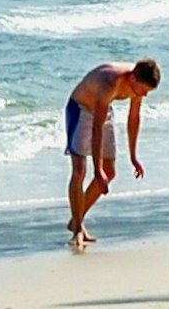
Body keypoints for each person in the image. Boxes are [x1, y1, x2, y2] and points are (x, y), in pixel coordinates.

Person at [64, 56, 160, 252]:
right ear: (133, 78)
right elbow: (96, 128)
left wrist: (133, 156)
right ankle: (78, 230)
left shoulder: (138, 84)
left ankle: (76, 220)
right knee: (80, 171)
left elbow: (134, 119)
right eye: (144, 90)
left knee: (110, 172)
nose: (144, 94)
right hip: (80, 109)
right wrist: (97, 169)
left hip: (103, 110)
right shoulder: (109, 81)